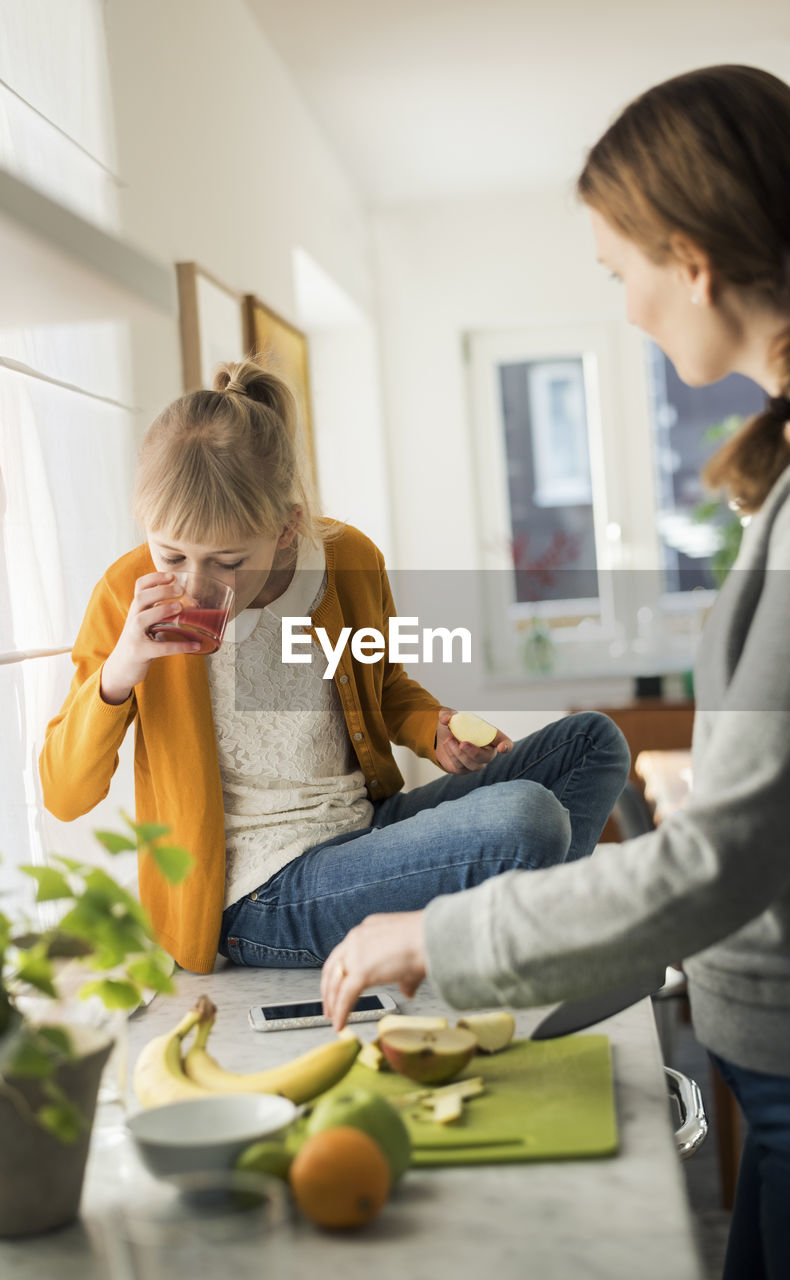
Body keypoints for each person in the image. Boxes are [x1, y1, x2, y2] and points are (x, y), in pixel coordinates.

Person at [321, 64, 790, 1280]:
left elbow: (723, 854)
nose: (625, 307)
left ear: (689, 260)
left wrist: (441, 929)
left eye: (615, 272)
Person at [40, 359, 628, 978]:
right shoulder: (125, 595)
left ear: (287, 527)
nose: (196, 584)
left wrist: (433, 729)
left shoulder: (347, 559)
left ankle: (523, 934)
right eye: (172, 554)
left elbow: (386, 682)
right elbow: (64, 794)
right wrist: (122, 669)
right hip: (259, 891)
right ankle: (537, 935)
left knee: (594, 741)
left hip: (366, 829)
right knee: (528, 819)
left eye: (229, 560)